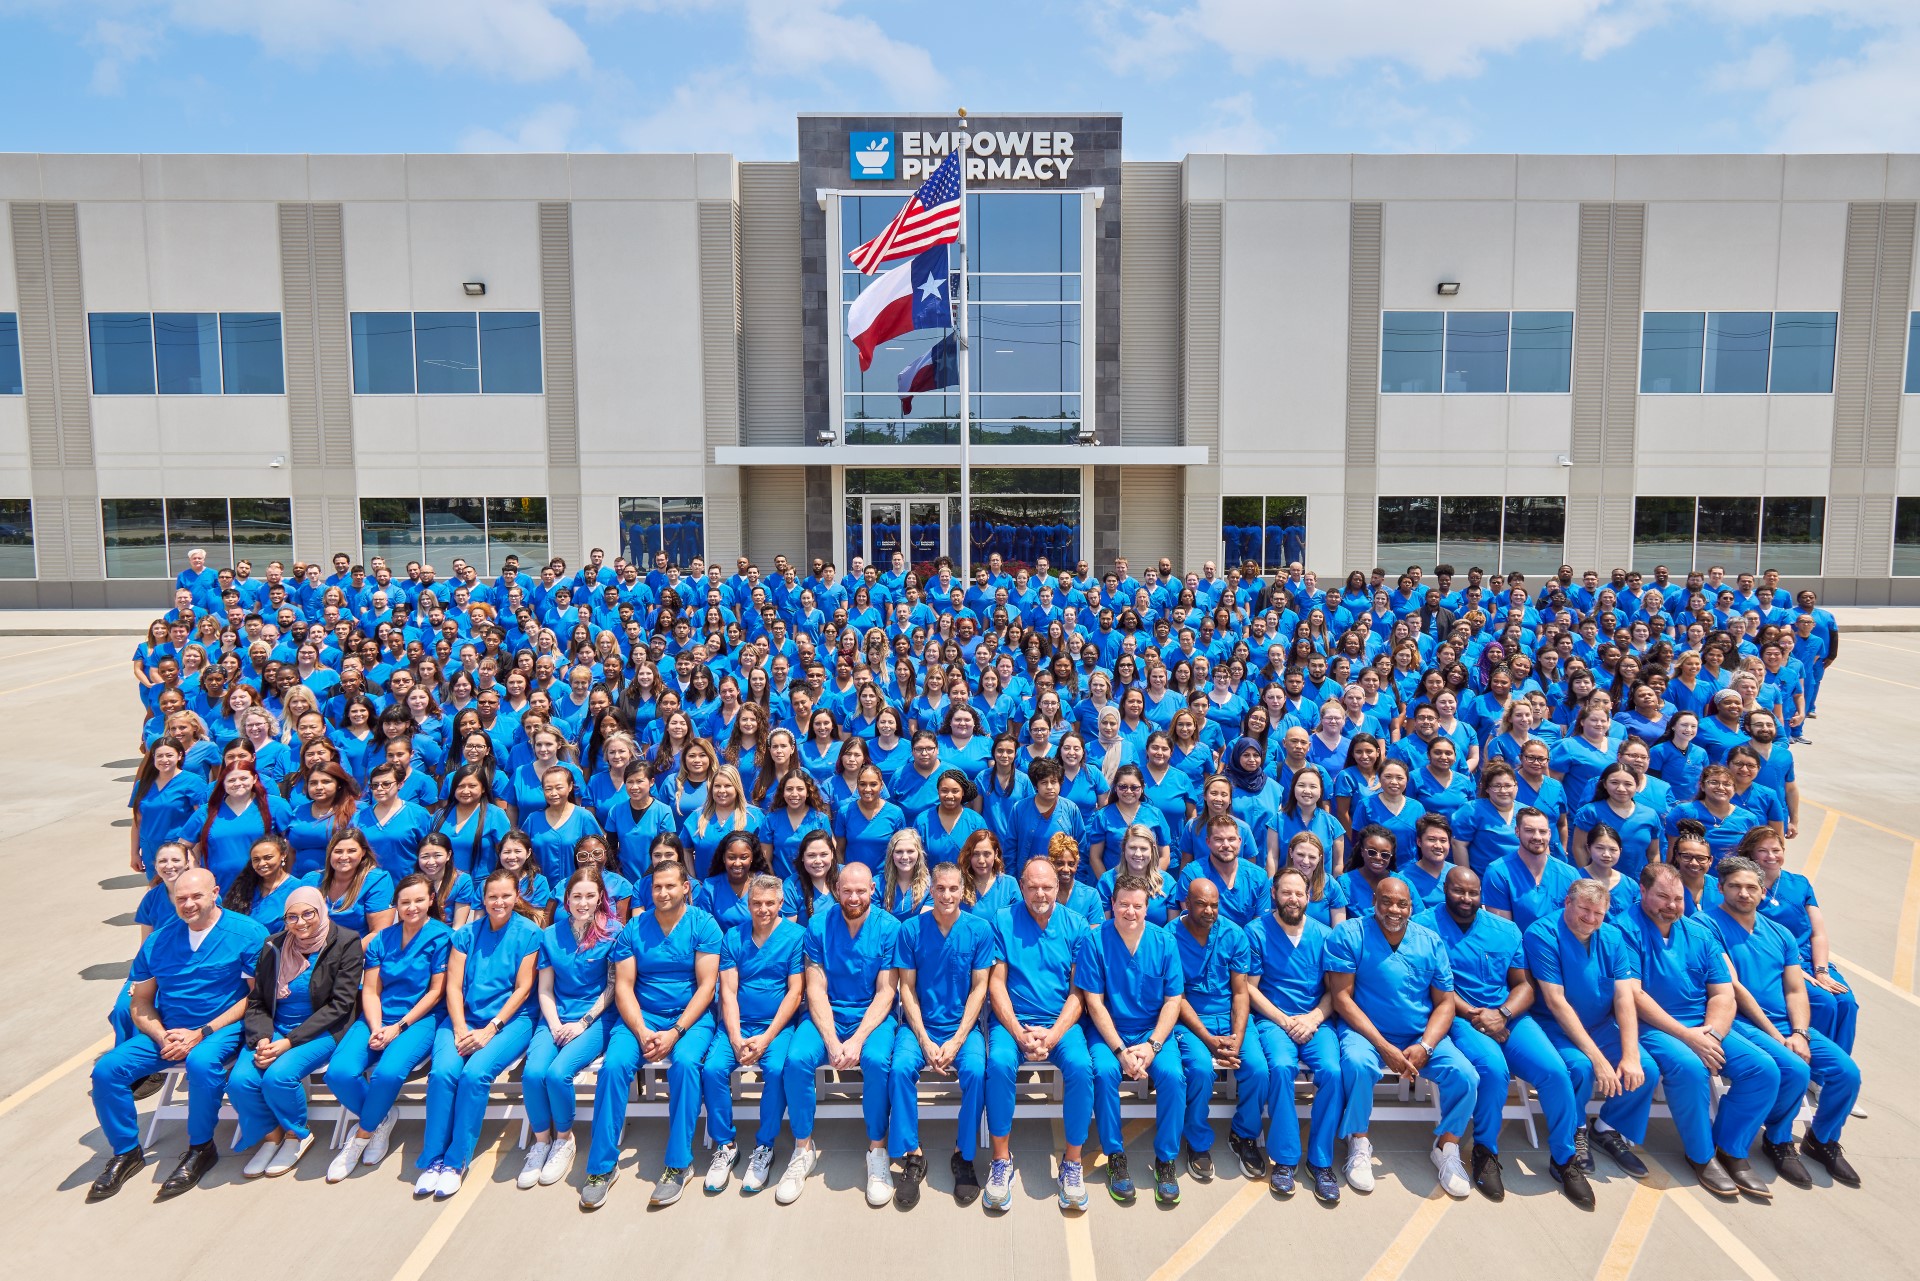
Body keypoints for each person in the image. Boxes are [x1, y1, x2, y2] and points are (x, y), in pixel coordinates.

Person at [87, 868, 271, 1203]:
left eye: (196, 896)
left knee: (201, 1062)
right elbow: (141, 1001)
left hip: (222, 1027)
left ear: (215, 892)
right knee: (107, 1070)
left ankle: (201, 1147)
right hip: (169, 1030)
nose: (188, 904)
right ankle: (126, 1152)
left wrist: (201, 1032)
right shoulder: (158, 941)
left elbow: (255, 997)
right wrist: (161, 1036)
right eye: (180, 897)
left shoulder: (247, 933)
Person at [1416, 869, 1592, 1207]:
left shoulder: (1506, 929)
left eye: (1472, 892)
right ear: (1445, 890)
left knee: (1556, 1071)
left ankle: (1564, 1159)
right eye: (1458, 891)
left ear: (1481, 893)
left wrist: (1504, 1014)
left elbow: (1525, 985)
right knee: (1494, 1070)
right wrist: (1476, 1015)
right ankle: (1485, 1151)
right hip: (1459, 1016)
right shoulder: (1424, 926)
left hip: (1508, 1014)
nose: (1465, 899)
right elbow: (1433, 987)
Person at [1622, 862, 1780, 1198]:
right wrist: (1687, 1036)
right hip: (1653, 1026)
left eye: (1678, 898)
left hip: (1705, 1026)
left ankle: (1731, 1149)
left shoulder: (1699, 933)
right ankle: (1702, 1155)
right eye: (1663, 896)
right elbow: (1634, 995)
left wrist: (1713, 1035)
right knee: (1691, 1067)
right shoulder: (1624, 929)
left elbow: (1723, 992)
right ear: (1643, 892)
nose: (1672, 905)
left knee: (1764, 1069)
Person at [1706, 856, 1861, 1188]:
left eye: (1751, 887)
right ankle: (1754, 1142)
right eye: (1735, 886)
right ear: (1720, 888)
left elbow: (1794, 989)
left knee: (1846, 1073)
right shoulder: (1708, 926)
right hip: (1740, 1021)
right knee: (1793, 1069)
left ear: (1763, 892)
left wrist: (1800, 1033)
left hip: (1784, 1022)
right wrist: (1779, 1036)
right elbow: (1735, 988)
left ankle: (1821, 1139)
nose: (1744, 894)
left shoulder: (1780, 934)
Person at [581, 858, 722, 1210]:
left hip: (690, 1017)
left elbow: (707, 988)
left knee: (686, 1066)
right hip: (640, 1017)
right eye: (657, 887)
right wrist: (643, 1030)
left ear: (685, 888)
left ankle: (678, 1164)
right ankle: (602, 1168)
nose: (663, 892)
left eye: (671, 886)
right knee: (613, 1068)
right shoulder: (634, 928)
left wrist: (675, 1032)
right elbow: (625, 987)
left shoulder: (703, 924)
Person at [1326, 876, 1478, 1199]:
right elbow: (1342, 999)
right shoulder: (1350, 935)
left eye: (1402, 903)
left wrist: (1426, 1045)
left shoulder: (1430, 941)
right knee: (1357, 1064)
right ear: (1373, 902)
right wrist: (1384, 1047)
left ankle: (1447, 1146)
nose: (1394, 909)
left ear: (1412, 906)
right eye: (1387, 901)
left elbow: (1445, 1003)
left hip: (1418, 1035)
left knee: (1466, 1076)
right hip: (1366, 1032)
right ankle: (1358, 1140)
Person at [776, 861, 902, 1206]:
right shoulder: (818, 925)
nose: (854, 897)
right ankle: (803, 1147)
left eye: (861, 890)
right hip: (827, 1015)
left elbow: (886, 992)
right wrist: (832, 1041)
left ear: (873, 891)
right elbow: (815, 988)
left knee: (876, 1061)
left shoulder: (889, 927)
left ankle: (877, 1150)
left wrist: (857, 1040)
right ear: (836, 891)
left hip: (871, 1018)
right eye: (846, 890)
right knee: (798, 1059)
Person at [414, 867, 542, 1200]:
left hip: (510, 1021)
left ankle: (455, 1162)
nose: (498, 902)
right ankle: (433, 1160)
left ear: (516, 897)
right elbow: (453, 987)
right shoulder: (465, 934)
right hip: (463, 1018)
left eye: (505, 895)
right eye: (492, 896)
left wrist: (491, 1029)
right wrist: (459, 1027)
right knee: (442, 1074)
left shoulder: (529, 932)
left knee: (474, 1075)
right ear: (482, 899)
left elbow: (524, 988)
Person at [225, 884, 364, 1178]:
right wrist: (263, 1038)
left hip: (321, 1029)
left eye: (308, 914)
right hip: (275, 1030)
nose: (300, 923)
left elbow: (340, 1005)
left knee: (279, 1076)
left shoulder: (346, 942)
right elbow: (258, 1000)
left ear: (321, 910)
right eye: (292, 917)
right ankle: (271, 1135)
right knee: (240, 1081)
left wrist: (288, 1043)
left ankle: (296, 1135)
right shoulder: (273, 946)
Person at [982, 856, 1096, 1213]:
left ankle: (1072, 1163)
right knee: (999, 1063)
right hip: (1013, 1021)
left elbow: (1079, 993)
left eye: (1048, 886)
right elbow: (995, 984)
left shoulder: (1076, 925)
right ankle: (1001, 1160)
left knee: (1080, 1067)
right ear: (1021, 886)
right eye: (1033, 886)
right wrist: (1018, 1032)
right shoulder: (1002, 921)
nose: (1041, 893)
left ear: (1058, 886)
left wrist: (1053, 1034)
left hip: (1060, 1021)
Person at [325, 873, 450, 1181]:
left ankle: (361, 1137)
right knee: (338, 1073)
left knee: (388, 1074)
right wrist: (378, 1025)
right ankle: (381, 1119)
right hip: (378, 1014)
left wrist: (399, 1027)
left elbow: (436, 992)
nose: (412, 907)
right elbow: (370, 990)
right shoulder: (382, 939)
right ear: (396, 904)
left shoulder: (442, 936)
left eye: (419, 900)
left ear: (431, 900)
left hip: (420, 1018)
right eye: (405, 902)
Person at [889, 861, 996, 1208]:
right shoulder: (911, 930)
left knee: (977, 1071)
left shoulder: (979, 930)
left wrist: (957, 1040)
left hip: (962, 1029)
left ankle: (962, 1155)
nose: (947, 895)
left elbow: (980, 989)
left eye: (954, 888)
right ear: (930, 890)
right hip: (921, 1025)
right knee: (900, 1069)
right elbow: (906, 988)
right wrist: (923, 1038)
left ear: (962, 890)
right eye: (940, 888)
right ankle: (913, 1153)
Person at [1079, 872, 1188, 1206]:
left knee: (1172, 1076)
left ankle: (1166, 1159)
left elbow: (1173, 1000)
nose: (1130, 911)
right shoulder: (1095, 941)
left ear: (1147, 906)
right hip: (1110, 1029)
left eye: (1137, 906)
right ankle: (1115, 1155)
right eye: (1123, 904)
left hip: (1152, 1031)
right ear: (1111, 904)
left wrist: (1153, 1046)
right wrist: (1120, 1050)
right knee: (1106, 1072)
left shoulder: (1164, 941)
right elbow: (1093, 1002)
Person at [700, 873, 806, 1196]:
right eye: (756, 903)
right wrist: (735, 1038)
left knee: (776, 1070)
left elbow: (795, 993)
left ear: (781, 904)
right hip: (737, 1024)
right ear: (748, 903)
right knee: (713, 1069)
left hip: (776, 1026)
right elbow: (728, 991)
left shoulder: (795, 936)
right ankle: (726, 1145)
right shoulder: (733, 937)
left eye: (769, 903)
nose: (763, 909)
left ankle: (765, 1146)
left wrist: (765, 1038)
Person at [1243, 867, 1344, 1201]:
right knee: (1282, 1068)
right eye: (1286, 892)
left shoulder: (1325, 934)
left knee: (1332, 1071)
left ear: (1309, 895)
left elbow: (1336, 991)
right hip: (1275, 1021)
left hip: (1315, 1020)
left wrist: (1313, 1017)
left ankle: (1320, 1161)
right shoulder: (1257, 931)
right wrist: (1286, 1021)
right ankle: (1285, 1160)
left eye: (1299, 893)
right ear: (1274, 893)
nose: (1293, 899)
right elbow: (1250, 989)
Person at [516, 869, 620, 1190]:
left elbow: (613, 987)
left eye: (590, 895)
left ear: (600, 897)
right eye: (577, 896)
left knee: (557, 1073)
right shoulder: (549, 935)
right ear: (566, 900)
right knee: (533, 1073)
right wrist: (556, 1024)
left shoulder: (614, 932)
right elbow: (545, 989)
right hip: (556, 1017)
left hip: (594, 1018)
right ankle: (541, 1141)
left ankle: (564, 1138)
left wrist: (582, 1023)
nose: (583, 902)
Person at [1169, 877, 1269, 1187]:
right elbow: (1176, 998)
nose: (1209, 910)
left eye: (1214, 904)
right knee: (1199, 1070)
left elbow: (1241, 993)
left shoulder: (1234, 935)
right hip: (1190, 1019)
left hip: (1230, 1018)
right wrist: (1209, 1040)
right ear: (1186, 904)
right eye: (1201, 904)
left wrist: (1237, 1038)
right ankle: (1197, 1141)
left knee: (1258, 1070)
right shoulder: (1169, 937)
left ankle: (1244, 1134)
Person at [1481, 807, 1582, 935]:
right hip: (1519, 950)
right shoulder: (1498, 873)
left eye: (1543, 831)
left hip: (1560, 949)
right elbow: (1503, 932)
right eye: (1529, 831)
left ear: (1550, 834)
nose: (1537, 837)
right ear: (1517, 831)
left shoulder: (1570, 875)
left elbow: (1578, 923)